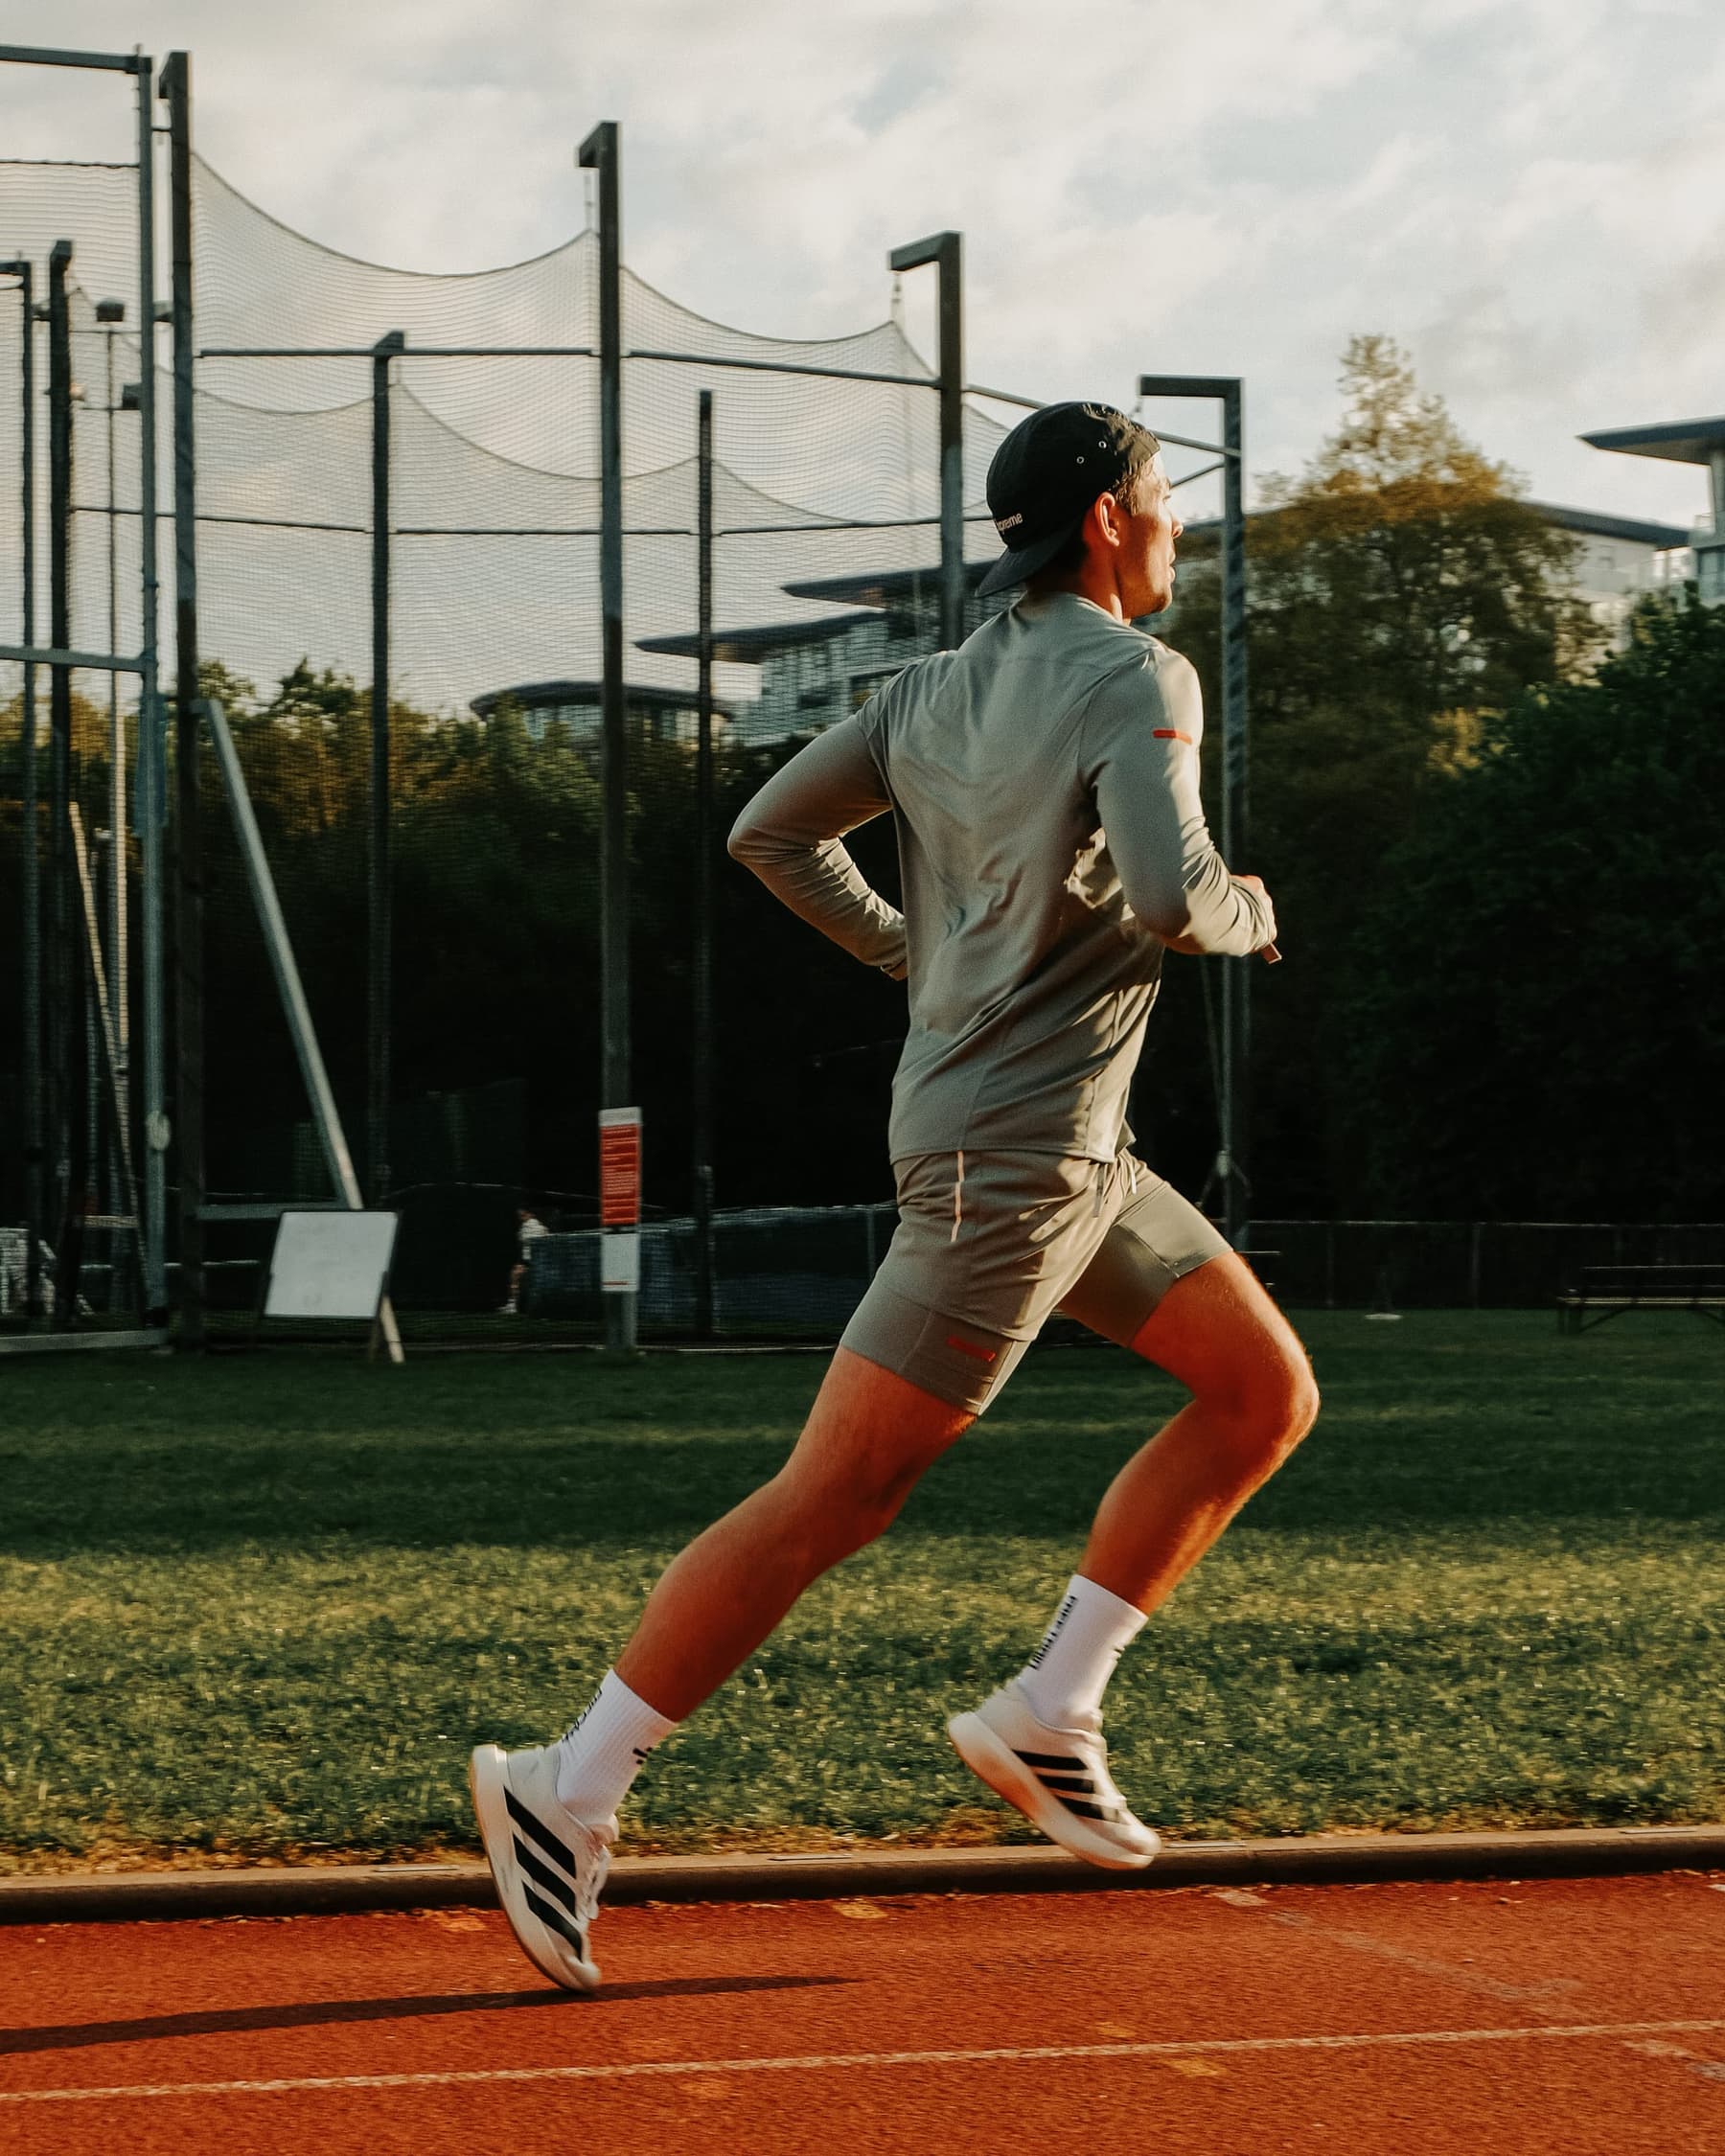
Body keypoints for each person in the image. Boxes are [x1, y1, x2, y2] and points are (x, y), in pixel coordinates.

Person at [471, 402, 1319, 1991]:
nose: (1182, 529)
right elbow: (1167, 892)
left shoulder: (929, 687)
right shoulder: (1138, 677)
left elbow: (767, 831)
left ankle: (1053, 1708)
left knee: (1261, 1392)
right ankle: (564, 1788)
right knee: (837, 1497)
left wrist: (914, 956)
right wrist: (1245, 906)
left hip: (1061, 1152)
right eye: (1168, 503)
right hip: (1014, 1163)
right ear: (1111, 521)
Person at [499, 1205, 548, 1316]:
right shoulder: (531, 1227)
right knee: (515, 1274)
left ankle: (513, 1305)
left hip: (537, 1263)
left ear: (530, 1214)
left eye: (523, 1215)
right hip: (532, 1262)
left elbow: (524, 1240)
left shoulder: (531, 1226)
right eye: (520, 1216)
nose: (521, 1218)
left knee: (515, 1275)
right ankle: (513, 1305)